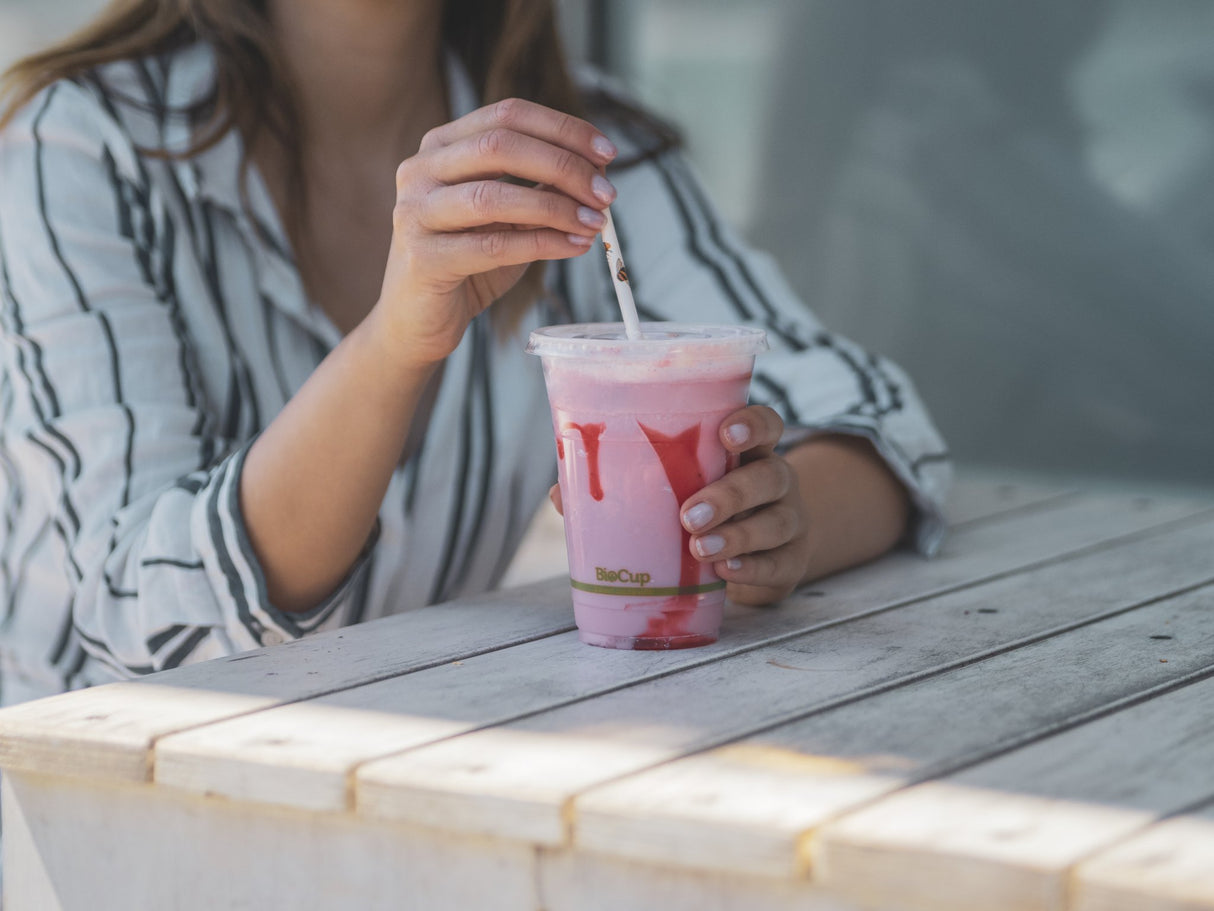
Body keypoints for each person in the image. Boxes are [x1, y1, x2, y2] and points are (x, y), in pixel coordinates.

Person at [0, 0, 949, 706]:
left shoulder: (581, 153)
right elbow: (141, 618)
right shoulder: (81, 148)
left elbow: (879, 423)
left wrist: (774, 526)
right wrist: (394, 342)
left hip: (397, 783)